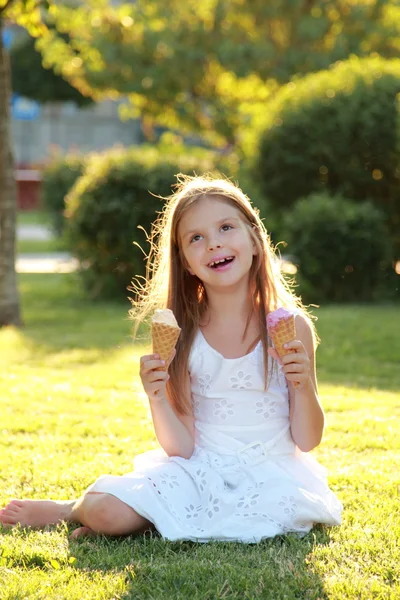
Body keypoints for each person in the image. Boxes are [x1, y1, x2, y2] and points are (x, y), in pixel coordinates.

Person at [0, 175, 342, 542]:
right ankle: (71, 508)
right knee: (104, 511)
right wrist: (157, 396)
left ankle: (148, 518)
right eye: (196, 238)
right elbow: (181, 446)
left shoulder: (292, 327)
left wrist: (302, 383)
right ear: (186, 263)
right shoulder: (181, 332)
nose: (214, 244)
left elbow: (307, 439)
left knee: (261, 515)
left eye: (226, 227)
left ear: (255, 240)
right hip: (198, 469)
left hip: (273, 474)